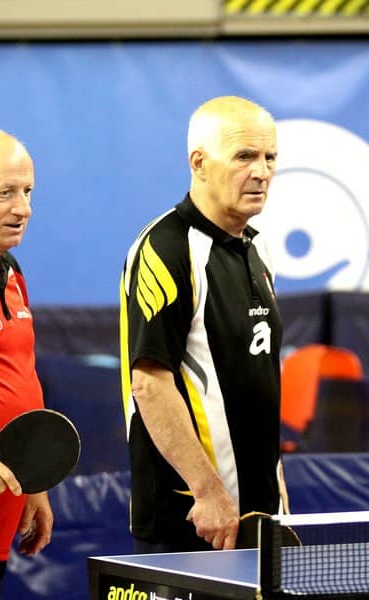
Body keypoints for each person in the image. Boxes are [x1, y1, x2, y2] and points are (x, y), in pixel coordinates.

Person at [120, 96, 289, 553]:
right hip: (191, 517)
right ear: (199, 163)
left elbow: (259, 379)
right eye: (244, 156)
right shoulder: (166, 248)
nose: (262, 172)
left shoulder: (258, 249)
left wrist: (276, 489)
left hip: (256, 513)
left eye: (270, 157)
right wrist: (207, 491)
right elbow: (149, 385)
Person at [0, 128, 53, 598]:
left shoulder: (9, 271)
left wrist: (32, 478)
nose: (24, 209)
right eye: (5, 193)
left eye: (28, 192)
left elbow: (16, 376)